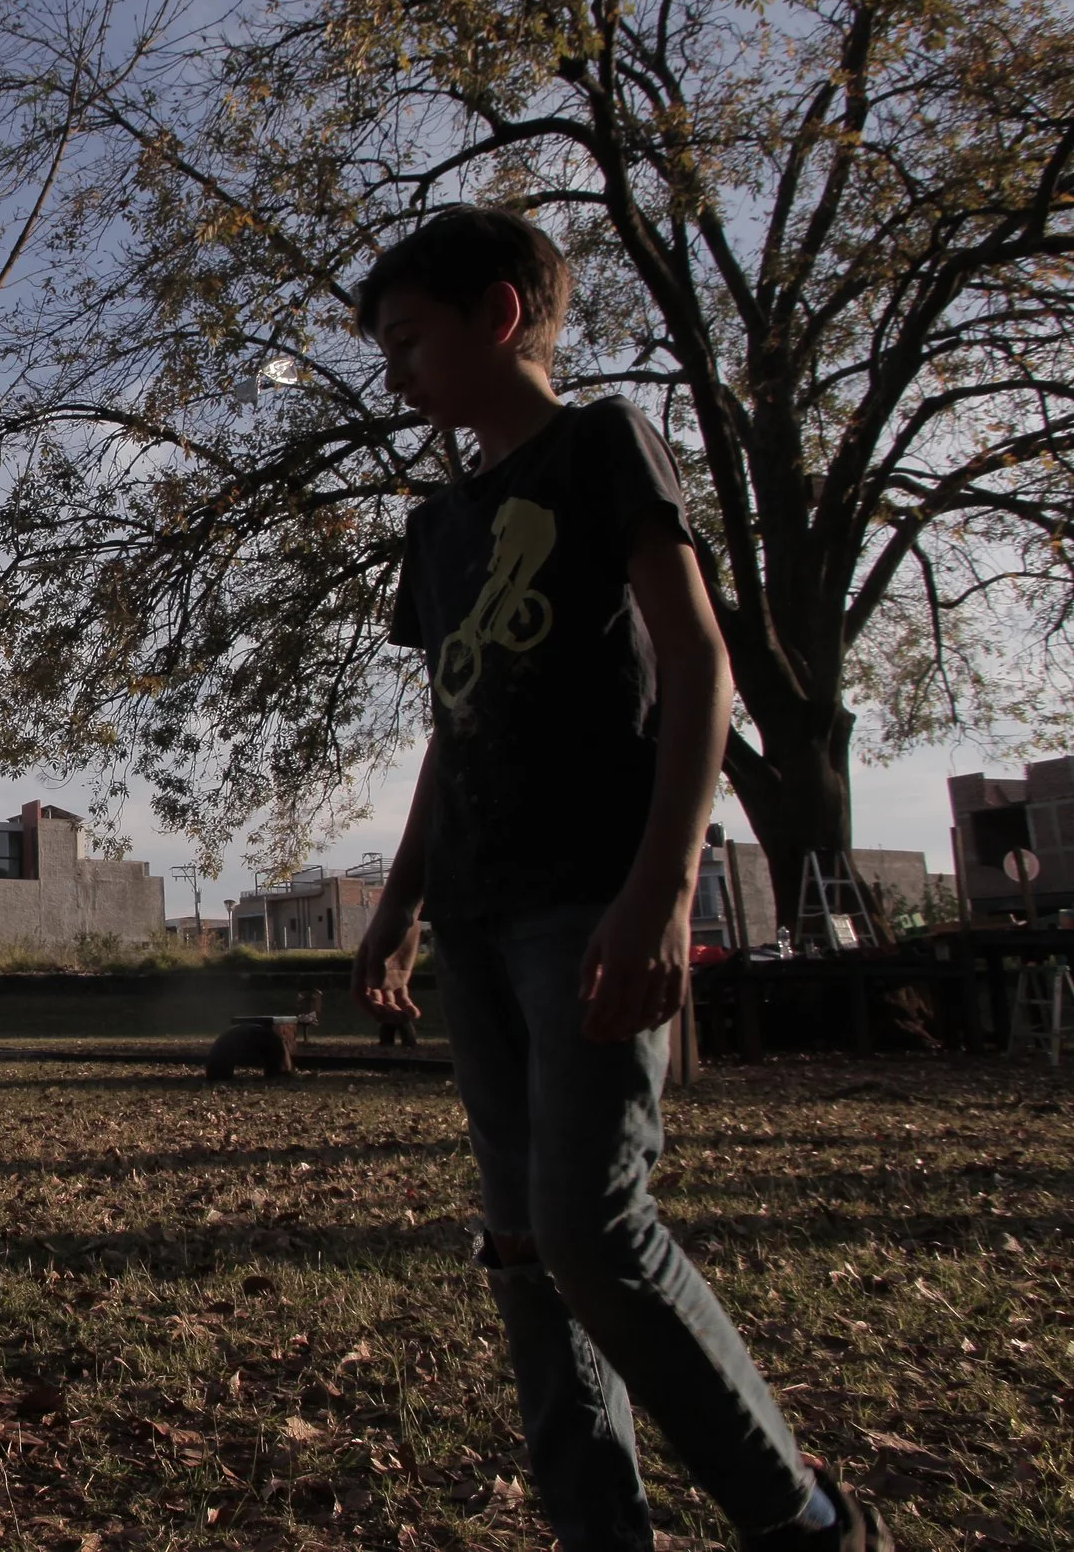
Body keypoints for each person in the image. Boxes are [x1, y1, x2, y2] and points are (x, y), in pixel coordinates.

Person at [347, 207, 892, 1552]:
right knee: (525, 1255)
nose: (395, 374)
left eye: (410, 340)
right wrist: (398, 906)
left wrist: (661, 891)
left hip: (587, 900)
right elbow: (450, 725)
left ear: (500, 315)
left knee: (591, 1226)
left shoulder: (602, 447)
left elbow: (699, 662)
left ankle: (804, 1516)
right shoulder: (437, 528)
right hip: (475, 916)